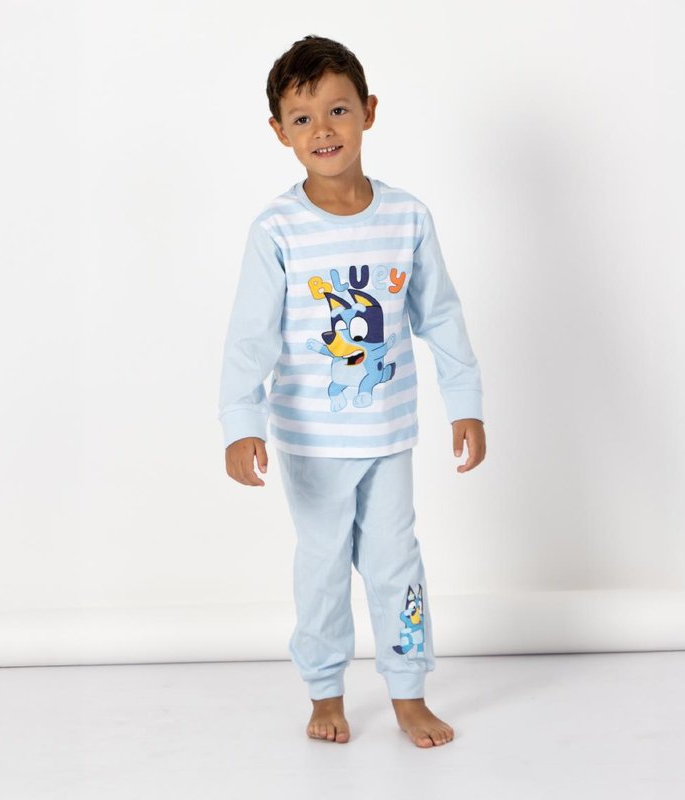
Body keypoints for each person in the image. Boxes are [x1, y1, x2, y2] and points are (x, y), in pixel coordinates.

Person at [218, 34, 486, 748]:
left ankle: (408, 690)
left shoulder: (407, 217)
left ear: (368, 111)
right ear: (280, 132)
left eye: (337, 110)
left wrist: (464, 404)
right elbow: (250, 336)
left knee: (398, 564)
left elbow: (440, 315)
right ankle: (325, 690)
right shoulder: (277, 228)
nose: (323, 129)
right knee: (323, 566)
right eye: (302, 118)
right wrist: (241, 421)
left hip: (389, 435)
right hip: (311, 442)